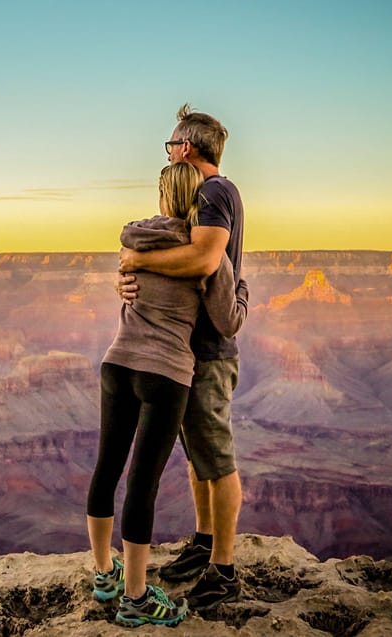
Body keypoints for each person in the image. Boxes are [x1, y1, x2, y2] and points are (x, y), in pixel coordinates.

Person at [87, 161, 248, 627]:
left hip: (116, 363)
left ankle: (103, 575)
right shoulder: (198, 253)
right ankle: (135, 598)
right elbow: (228, 320)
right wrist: (242, 288)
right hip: (165, 373)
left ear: (161, 195)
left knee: (106, 469)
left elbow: (128, 280)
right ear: (196, 201)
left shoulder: (134, 240)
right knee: (143, 482)